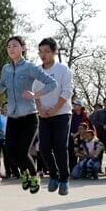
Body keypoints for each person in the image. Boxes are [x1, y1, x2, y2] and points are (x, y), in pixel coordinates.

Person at [0, 36, 57, 194]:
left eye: (15, 46)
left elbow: (52, 83)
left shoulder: (29, 67)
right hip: (13, 117)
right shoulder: (6, 69)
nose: (11, 49)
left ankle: (34, 176)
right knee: (10, 152)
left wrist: (36, 94)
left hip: (29, 117)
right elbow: (2, 84)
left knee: (22, 152)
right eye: (9, 46)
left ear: (23, 47)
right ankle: (25, 173)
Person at [34, 38, 74, 196]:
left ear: (54, 52)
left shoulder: (63, 69)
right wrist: (40, 110)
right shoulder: (37, 71)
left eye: (47, 51)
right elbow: (35, 93)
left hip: (62, 113)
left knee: (59, 147)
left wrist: (56, 109)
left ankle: (64, 179)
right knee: (43, 148)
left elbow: (67, 91)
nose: (43, 55)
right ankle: (53, 175)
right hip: (44, 115)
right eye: (40, 52)